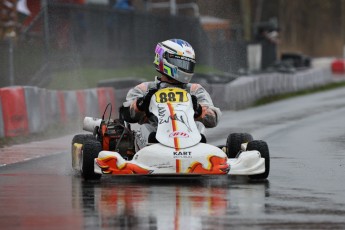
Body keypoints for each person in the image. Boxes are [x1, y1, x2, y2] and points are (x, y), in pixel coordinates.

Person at [122, 39, 221, 146]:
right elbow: (126, 114)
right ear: (164, 60)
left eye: (187, 64)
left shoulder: (195, 90)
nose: (185, 67)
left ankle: (197, 150)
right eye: (181, 63)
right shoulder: (144, 89)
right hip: (154, 138)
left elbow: (213, 119)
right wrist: (141, 105)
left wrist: (198, 110)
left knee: (199, 125)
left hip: (188, 137)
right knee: (145, 128)